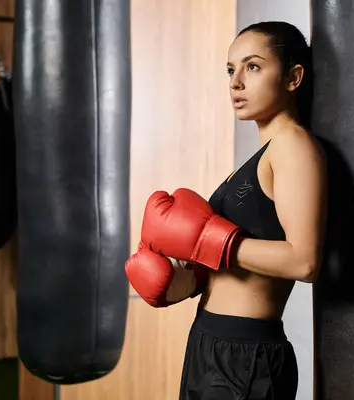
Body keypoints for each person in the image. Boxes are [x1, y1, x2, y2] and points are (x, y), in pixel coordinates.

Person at [125, 21, 327, 400]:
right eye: (231, 70)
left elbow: (304, 262)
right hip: (210, 341)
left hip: (246, 355)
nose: (235, 83)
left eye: (253, 67)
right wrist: (181, 280)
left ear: (293, 77)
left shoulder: (293, 146)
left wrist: (209, 240)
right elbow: (226, 265)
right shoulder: (255, 160)